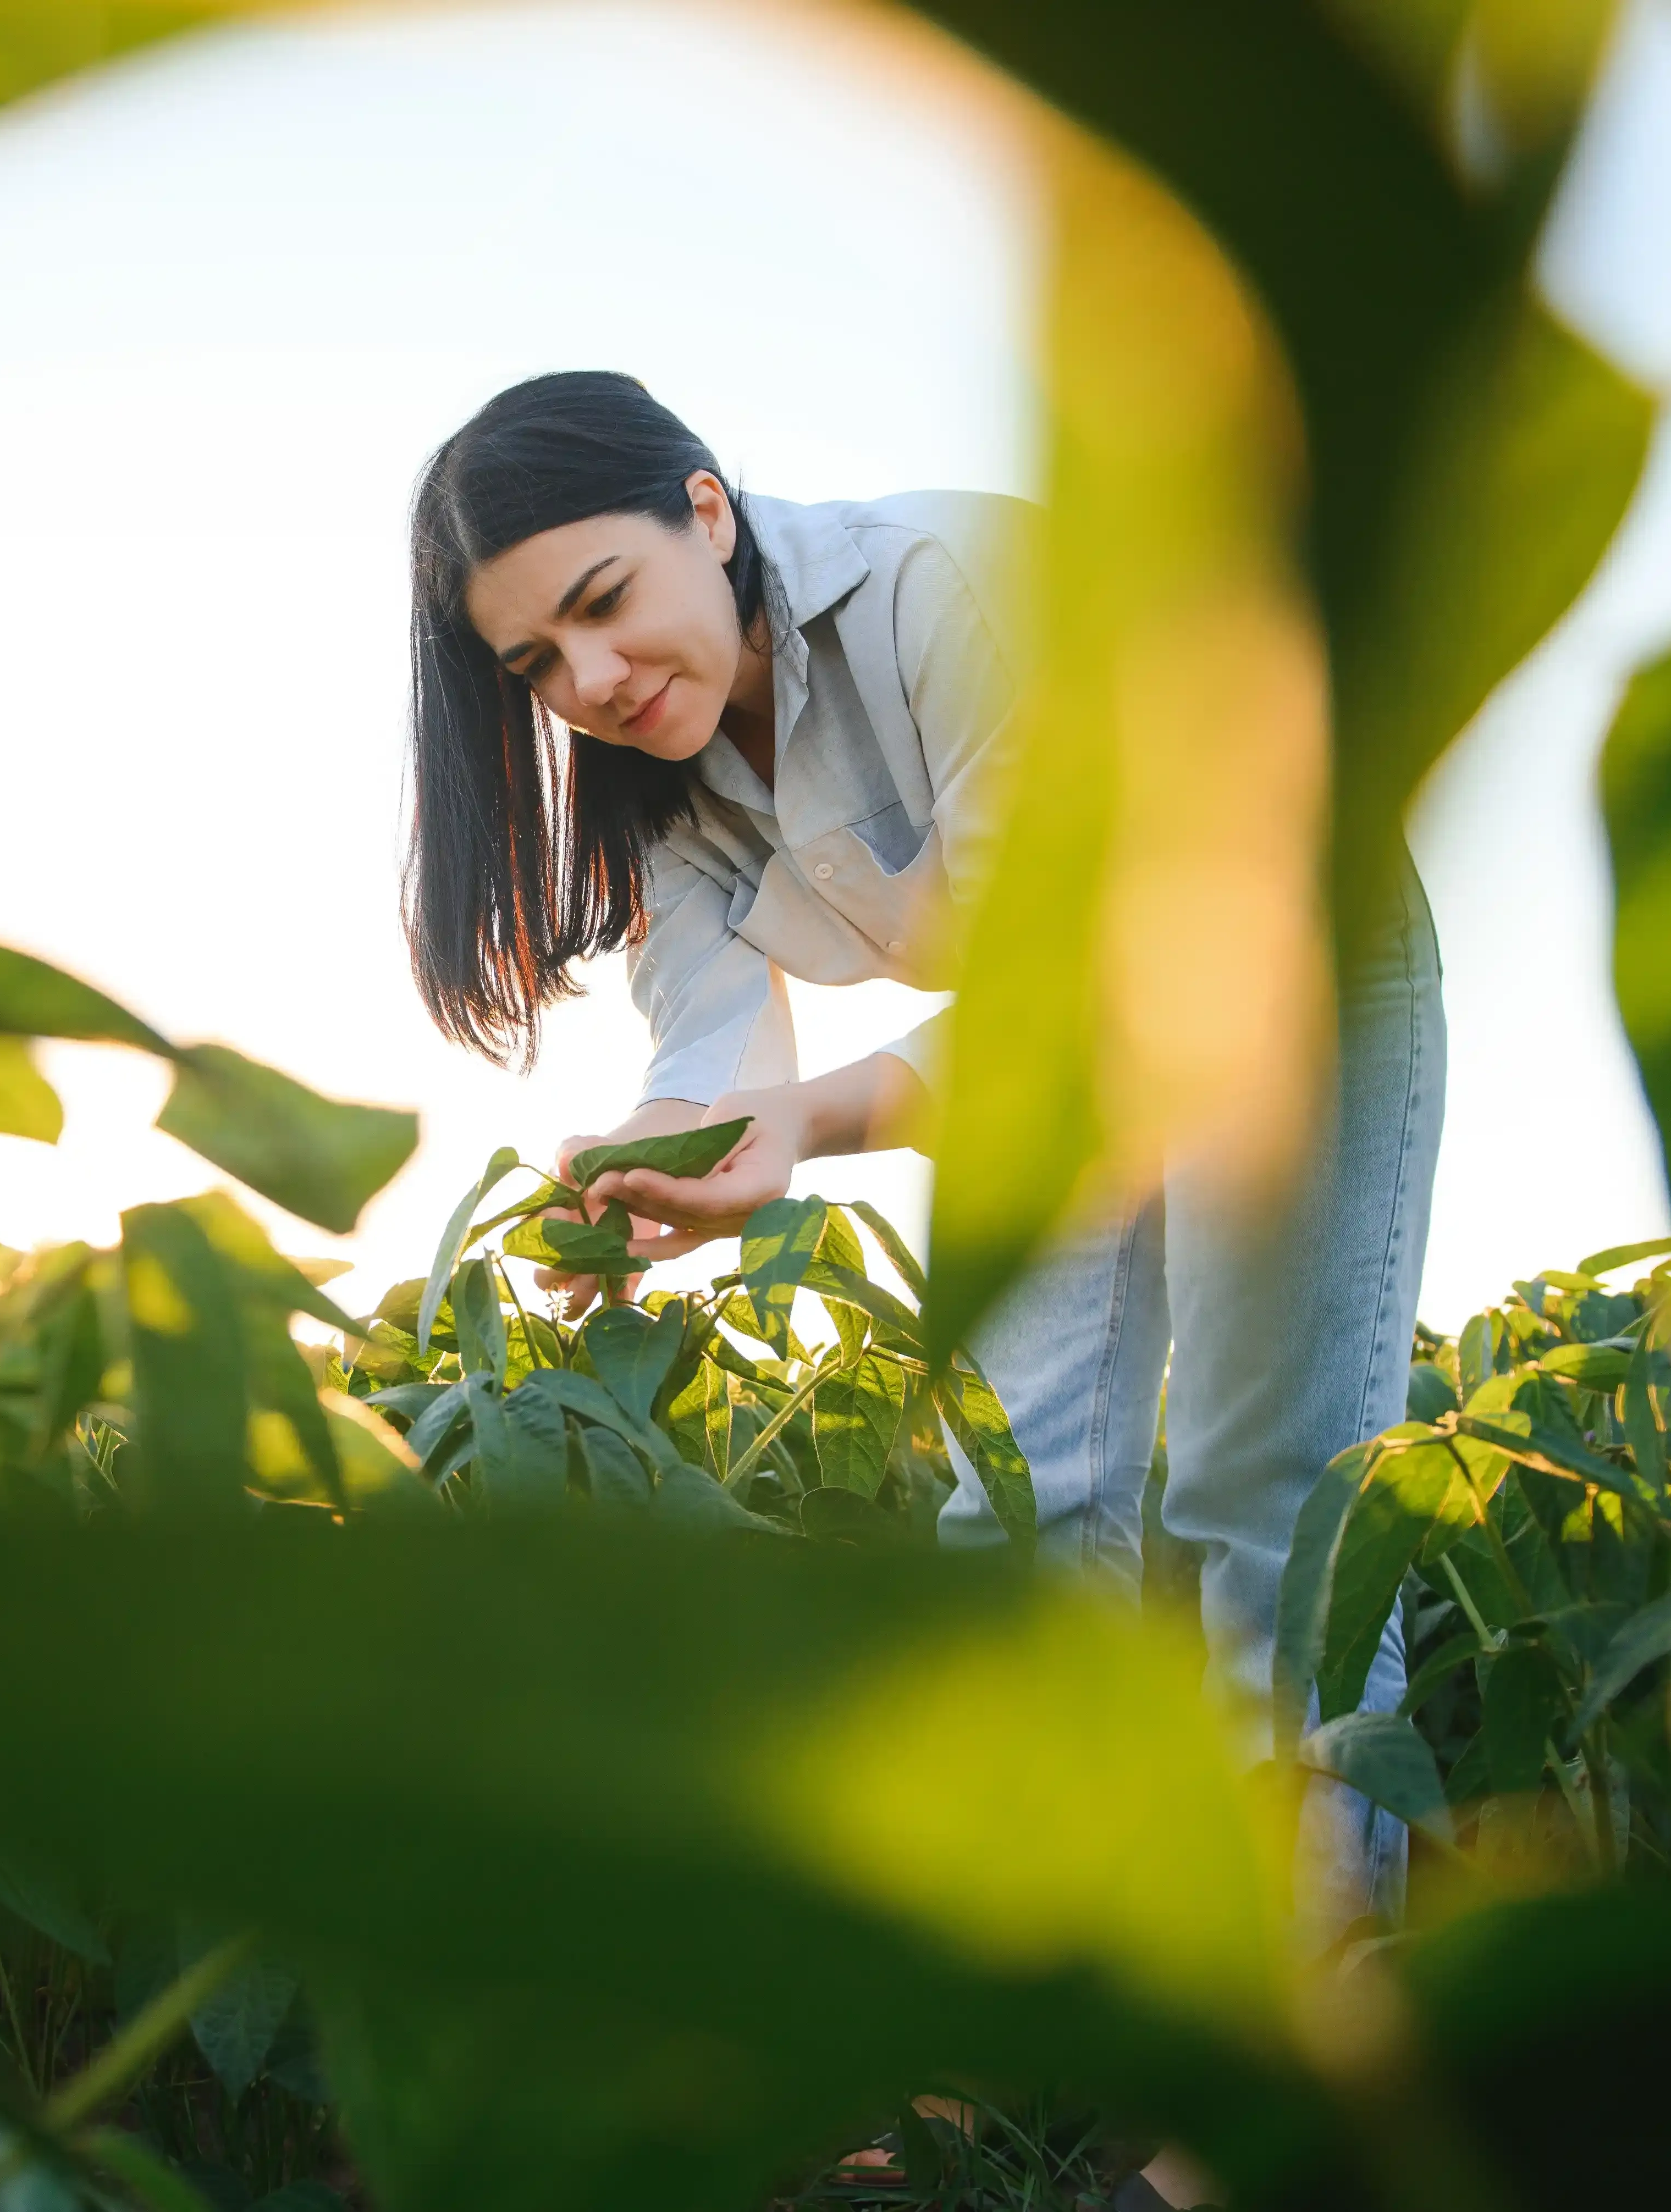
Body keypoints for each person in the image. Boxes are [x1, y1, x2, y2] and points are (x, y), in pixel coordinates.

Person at [400, 370, 1446, 1919]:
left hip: (1284, 967)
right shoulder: (663, 796)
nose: (597, 676)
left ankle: (1306, 2046)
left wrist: (806, 1125)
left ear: (705, 505)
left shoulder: (948, 588)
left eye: (605, 600)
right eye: (539, 662)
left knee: (1269, 1493)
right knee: (1022, 1494)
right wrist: (643, 1170)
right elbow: (715, 1062)